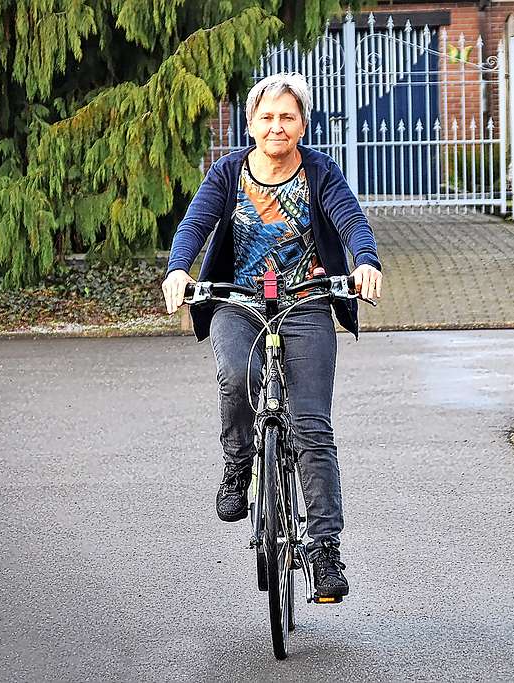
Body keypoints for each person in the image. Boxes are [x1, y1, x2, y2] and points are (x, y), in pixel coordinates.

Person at [161, 72, 382, 599]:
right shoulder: (228, 172)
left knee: (311, 427)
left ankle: (324, 552)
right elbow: (195, 223)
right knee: (237, 377)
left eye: (287, 116)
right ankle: (238, 464)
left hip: (306, 302)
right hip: (238, 302)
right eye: (267, 117)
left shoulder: (320, 172)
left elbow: (351, 220)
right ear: (251, 123)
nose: (276, 126)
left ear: (302, 124)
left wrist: (365, 261)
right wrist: (177, 270)